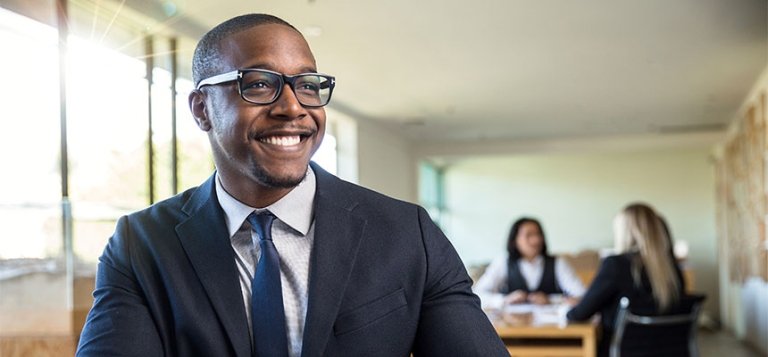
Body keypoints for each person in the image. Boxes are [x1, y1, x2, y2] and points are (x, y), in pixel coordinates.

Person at [76, 13, 508, 357]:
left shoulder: (406, 233)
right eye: (259, 84)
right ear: (202, 109)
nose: (293, 107)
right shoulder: (141, 244)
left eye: (306, 85)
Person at [566, 203, 685, 357]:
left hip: (621, 351)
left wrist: (576, 307)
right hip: (670, 351)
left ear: (625, 232)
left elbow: (578, 315)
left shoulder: (616, 264)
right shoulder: (672, 270)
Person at [474, 217, 585, 309]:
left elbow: (582, 295)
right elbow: (478, 294)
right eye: (529, 235)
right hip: (513, 328)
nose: (536, 240)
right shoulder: (503, 262)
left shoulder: (558, 262)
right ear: (514, 240)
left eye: (538, 235)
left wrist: (551, 300)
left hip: (551, 328)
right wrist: (505, 300)